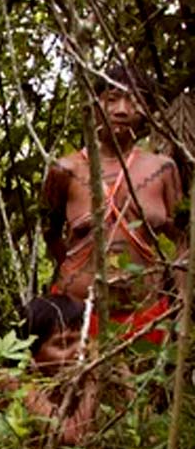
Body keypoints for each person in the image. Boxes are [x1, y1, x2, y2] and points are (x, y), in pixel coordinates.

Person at [43, 64, 184, 343]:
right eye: (112, 99)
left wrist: (179, 295)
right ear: (94, 105)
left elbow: (182, 238)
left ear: (147, 110)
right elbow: (50, 233)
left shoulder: (163, 169)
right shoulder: (64, 170)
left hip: (147, 316)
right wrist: (77, 277)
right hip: (77, 317)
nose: (122, 110)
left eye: (133, 101)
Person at [3, 295, 100, 445]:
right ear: (30, 354)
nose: (79, 351)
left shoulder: (66, 381)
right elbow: (70, 435)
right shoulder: (12, 381)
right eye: (63, 344)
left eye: (82, 341)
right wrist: (94, 375)